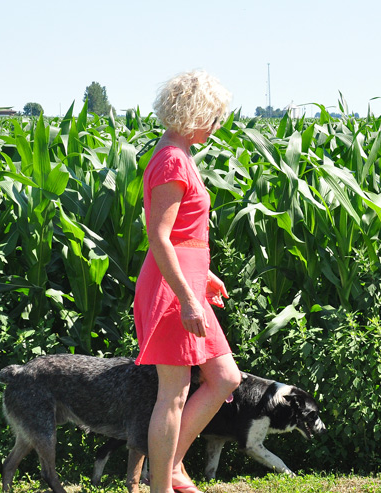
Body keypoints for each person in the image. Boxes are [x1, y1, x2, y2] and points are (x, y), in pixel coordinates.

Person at [133, 69, 241, 493]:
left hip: (188, 284)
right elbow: (158, 236)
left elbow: (183, 236)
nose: (217, 127)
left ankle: (172, 465)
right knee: (173, 394)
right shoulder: (172, 160)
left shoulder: (181, 154)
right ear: (195, 113)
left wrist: (204, 276)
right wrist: (188, 298)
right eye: (213, 118)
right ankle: (160, 486)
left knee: (225, 377)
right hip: (172, 293)